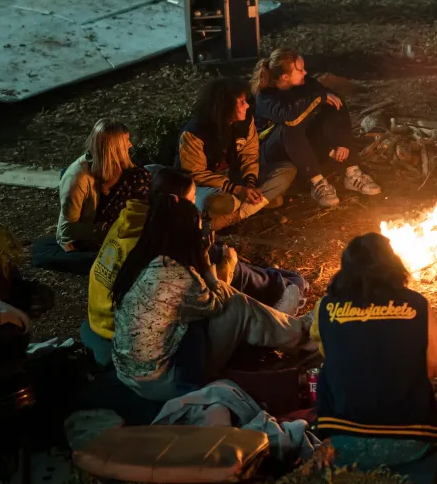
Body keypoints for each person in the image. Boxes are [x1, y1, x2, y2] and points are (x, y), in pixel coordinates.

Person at [82, 167, 308, 367]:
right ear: (177, 203)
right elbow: (214, 300)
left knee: (220, 258)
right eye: (192, 199)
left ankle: (281, 292)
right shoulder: (162, 255)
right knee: (235, 298)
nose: (197, 209)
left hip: (109, 324)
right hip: (139, 349)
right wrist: (224, 265)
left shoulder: (132, 219)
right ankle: (295, 323)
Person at [110, 192, 312, 401]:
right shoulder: (177, 275)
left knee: (231, 303)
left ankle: (288, 329)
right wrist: (213, 267)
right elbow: (217, 303)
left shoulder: (142, 260)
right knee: (238, 305)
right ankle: (304, 334)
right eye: (199, 229)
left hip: (131, 374)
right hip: (165, 382)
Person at [314, 233, 437, 470]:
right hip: (410, 441)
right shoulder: (417, 304)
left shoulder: (326, 307)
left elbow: (331, 356)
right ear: (394, 265)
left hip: (342, 441)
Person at [252, 48, 381, 208]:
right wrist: (318, 97)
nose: (305, 72)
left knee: (332, 103)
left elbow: (334, 101)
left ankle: (352, 172)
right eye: (300, 70)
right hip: (275, 152)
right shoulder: (266, 97)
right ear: (285, 77)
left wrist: (342, 141)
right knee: (289, 127)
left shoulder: (305, 84)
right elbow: (290, 117)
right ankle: (317, 183)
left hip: (303, 143)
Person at [32, 119, 150, 274]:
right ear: (113, 147)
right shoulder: (77, 179)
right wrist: (105, 229)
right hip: (86, 234)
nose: (130, 145)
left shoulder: (120, 166)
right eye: (126, 141)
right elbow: (69, 228)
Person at [177, 77, 296, 228]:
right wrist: (237, 190)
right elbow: (196, 174)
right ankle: (256, 203)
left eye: (245, 100)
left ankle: (232, 216)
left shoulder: (245, 122)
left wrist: (250, 184)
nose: (247, 106)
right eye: (241, 102)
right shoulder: (194, 133)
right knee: (219, 203)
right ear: (225, 107)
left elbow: (250, 155)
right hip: (206, 185)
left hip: (235, 177)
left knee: (287, 170)